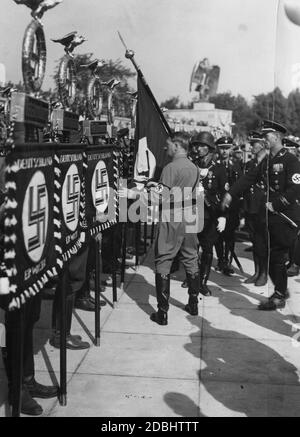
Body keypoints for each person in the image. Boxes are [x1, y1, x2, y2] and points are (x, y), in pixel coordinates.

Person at [119, 132, 202, 325]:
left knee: (163, 260)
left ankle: (162, 313)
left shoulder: (171, 168)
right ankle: (193, 303)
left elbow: (159, 197)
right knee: (191, 258)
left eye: (168, 145)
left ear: (177, 145)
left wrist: (132, 193)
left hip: (171, 216)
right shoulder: (194, 167)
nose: (166, 148)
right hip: (189, 216)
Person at [222, 120, 300, 310]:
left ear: (275, 137)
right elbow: (248, 178)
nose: (263, 140)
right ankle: (280, 291)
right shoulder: (267, 161)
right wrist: (231, 193)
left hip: (286, 217)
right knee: (274, 257)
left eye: (266, 136)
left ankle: (279, 294)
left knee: (276, 256)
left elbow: (295, 188)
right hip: (271, 217)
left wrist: (276, 204)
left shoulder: (290, 160)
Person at [182, 131, 227, 295]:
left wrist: (223, 216)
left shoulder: (219, 168)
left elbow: (224, 194)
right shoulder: (192, 164)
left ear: (209, 148)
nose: (198, 148)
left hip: (211, 214)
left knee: (207, 249)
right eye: (196, 145)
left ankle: (202, 282)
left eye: (201, 146)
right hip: (193, 212)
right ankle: (191, 277)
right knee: (191, 249)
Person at [243, 131, 268, 286]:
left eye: (254, 144)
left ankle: (264, 273)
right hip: (250, 206)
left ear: (263, 145)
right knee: (254, 241)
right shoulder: (249, 164)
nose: (251, 146)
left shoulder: (269, 163)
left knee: (263, 243)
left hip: (263, 208)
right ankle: (257, 271)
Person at [214, 136, 242, 275]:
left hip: (232, 207)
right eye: (222, 148)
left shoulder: (236, 165)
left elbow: (240, 187)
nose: (224, 151)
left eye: (227, 148)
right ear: (217, 149)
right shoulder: (214, 164)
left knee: (230, 235)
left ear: (231, 149)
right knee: (218, 234)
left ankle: (228, 261)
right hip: (217, 205)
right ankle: (221, 259)